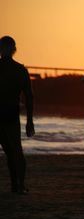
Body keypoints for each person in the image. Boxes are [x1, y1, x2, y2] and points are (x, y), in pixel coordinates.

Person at [0, 36, 35, 194]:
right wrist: (29, 121)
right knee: (15, 152)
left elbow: (29, 96)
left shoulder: (20, 70)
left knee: (12, 151)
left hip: (9, 114)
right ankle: (18, 185)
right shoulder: (20, 70)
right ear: (14, 50)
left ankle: (18, 185)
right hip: (10, 114)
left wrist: (29, 121)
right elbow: (29, 96)